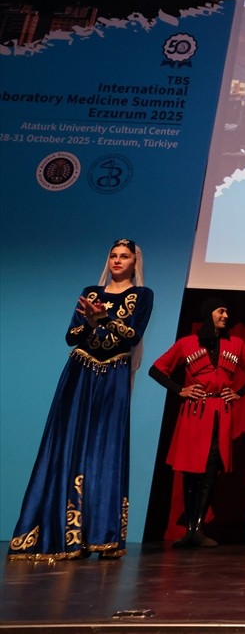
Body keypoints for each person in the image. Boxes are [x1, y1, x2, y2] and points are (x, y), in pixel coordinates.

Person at [8, 239, 154, 561]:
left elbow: (133, 334)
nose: (117, 261)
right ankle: (60, 532)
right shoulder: (91, 292)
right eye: (113, 255)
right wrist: (89, 323)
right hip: (80, 372)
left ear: (135, 262)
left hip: (114, 375)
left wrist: (104, 320)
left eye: (124, 256)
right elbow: (70, 336)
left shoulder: (142, 295)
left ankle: (101, 534)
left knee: (106, 446)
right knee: (68, 442)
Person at [148, 297, 245, 548]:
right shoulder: (187, 343)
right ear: (208, 313)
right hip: (194, 411)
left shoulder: (236, 344)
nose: (226, 315)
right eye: (221, 311)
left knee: (212, 467)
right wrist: (179, 390)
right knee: (191, 470)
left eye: (227, 311)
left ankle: (199, 529)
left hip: (220, 412)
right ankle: (190, 530)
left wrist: (240, 392)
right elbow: (156, 370)